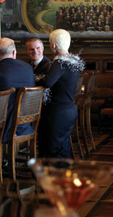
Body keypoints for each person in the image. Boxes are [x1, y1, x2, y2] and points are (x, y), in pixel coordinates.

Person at [36, 29, 85, 158]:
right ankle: (64, 176)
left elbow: (48, 82)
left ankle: (55, 177)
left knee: (54, 149)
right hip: (69, 109)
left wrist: (36, 78)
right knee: (63, 149)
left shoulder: (60, 62)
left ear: (53, 45)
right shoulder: (72, 62)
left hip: (58, 112)